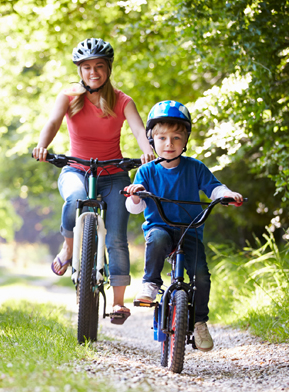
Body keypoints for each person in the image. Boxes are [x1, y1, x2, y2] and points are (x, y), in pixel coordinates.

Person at [33, 38, 156, 325]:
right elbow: (52, 122)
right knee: (74, 199)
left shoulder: (123, 100)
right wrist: (42, 145)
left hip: (113, 175)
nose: (93, 72)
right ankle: (68, 245)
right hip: (76, 169)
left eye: (99, 66)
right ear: (79, 70)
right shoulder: (69, 97)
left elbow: (139, 129)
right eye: (87, 67)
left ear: (108, 69)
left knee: (116, 237)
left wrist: (147, 148)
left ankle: (118, 303)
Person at [124, 100, 243, 351]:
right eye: (163, 138)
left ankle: (200, 322)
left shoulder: (195, 168)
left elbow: (214, 187)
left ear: (186, 139)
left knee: (201, 275)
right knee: (156, 240)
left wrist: (227, 194)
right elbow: (135, 207)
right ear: (152, 140)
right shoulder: (146, 171)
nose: (169, 144)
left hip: (190, 230)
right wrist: (137, 194)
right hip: (161, 227)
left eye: (177, 138)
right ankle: (150, 283)